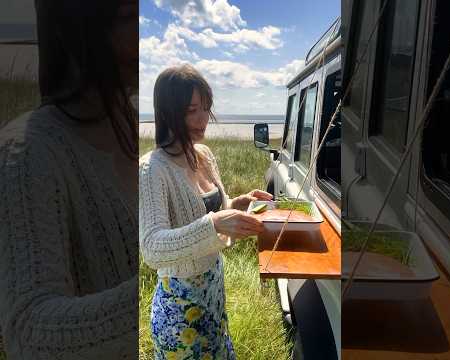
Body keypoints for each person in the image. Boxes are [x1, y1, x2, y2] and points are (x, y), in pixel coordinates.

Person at [0, 0, 139, 358]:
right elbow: (30, 333)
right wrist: (163, 288)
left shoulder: (131, 122)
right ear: (80, 31)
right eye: (130, 17)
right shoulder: (27, 151)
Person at [139, 64, 272, 360]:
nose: (202, 119)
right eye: (191, 110)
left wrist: (236, 206)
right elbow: (152, 248)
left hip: (213, 293)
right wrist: (214, 223)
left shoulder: (204, 155)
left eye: (205, 108)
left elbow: (215, 213)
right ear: (167, 113)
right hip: (179, 309)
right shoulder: (152, 169)